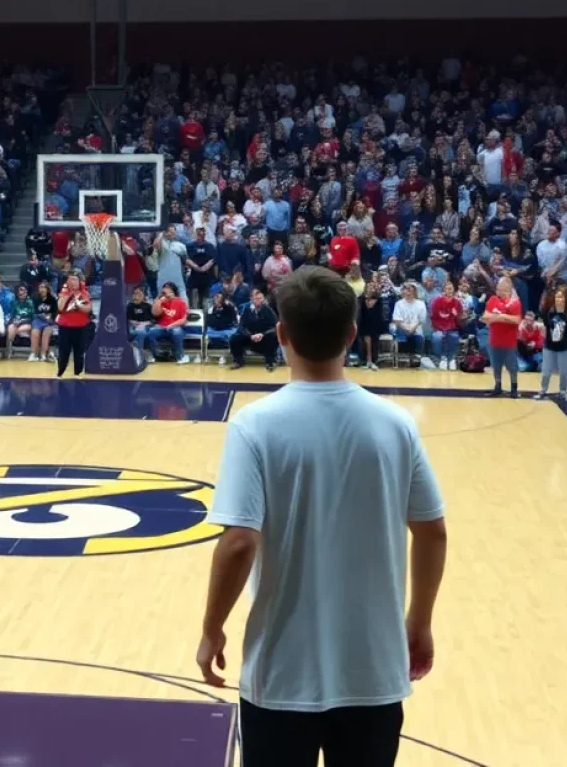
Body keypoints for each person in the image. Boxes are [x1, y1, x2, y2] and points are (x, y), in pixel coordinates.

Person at [196, 266, 446, 767]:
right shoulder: (395, 425)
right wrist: (419, 621)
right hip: (374, 672)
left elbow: (239, 542)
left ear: (282, 334)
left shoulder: (254, 426)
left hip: (281, 676)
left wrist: (212, 628)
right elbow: (432, 531)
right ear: (352, 334)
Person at [536, 284, 567, 401]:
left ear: (566, 299)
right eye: (557, 297)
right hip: (549, 346)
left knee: (564, 372)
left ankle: (563, 391)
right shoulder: (548, 312)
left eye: (561, 297)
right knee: (546, 371)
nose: (559, 300)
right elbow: (543, 321)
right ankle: (543, 389)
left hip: (565, 347)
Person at [482, 276, 522, 397]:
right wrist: (504, 318)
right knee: (496, 365)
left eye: (500, 289)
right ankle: (497, 386)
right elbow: (485, 317)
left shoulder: (515, 303)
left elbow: (516, 320)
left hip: (509, 342)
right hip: (494, 340)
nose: (498, 291)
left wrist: (500, 317)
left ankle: (514, 388)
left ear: (507, 289)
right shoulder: (493, 300)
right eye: (497, 289)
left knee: (512, 366)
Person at [229, 287, 278, 371]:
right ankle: (238, 361)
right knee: (234, 338)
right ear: (252, 299)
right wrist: (250, 335)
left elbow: (275, 327)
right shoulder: (247, 309)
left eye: (261, 298)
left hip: (263, 338)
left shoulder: (268, 310)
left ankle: (270, 362)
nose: (259, 300)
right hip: (250, 337)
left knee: (273, 337)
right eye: (257, 299)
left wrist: (262, 334)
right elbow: (241, 326)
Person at [55, 272, 92, 377]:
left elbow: (88, 309)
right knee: (63, 351)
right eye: (70, 280)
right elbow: (60, 307)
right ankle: (60, 372)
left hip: (80, 326)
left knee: (79, 351)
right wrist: (68, 295)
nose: (73, 282)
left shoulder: (84, 293)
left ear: (79, 281)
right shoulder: (63, 293)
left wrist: (78, 306)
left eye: (75, 280)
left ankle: (77, 373)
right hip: (65, 326)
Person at [148, 281, 190, 365]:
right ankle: (155, 356)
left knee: (176, 332)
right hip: (162, 327)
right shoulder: (162, 301)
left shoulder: (181, 302)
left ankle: (180, 356)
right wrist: (159, 300)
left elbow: (183, 320)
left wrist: (171, 325)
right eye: (164, 288)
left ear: (172, 291)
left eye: (167, 288)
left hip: (176, 327)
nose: (164, 290)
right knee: (152, 332)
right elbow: (154, 313)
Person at [390, 282, 428, 368]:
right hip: (401, 328)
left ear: (414, 292)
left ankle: (416, 357)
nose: (408, 293)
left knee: (419, 336)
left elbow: (421, 320)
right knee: (401, 334)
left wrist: (412, 328)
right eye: (406, 290)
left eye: (410, 291)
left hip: (415, 328)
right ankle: (402, 359)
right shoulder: (398, 304)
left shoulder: (421, 304)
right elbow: (396, 319)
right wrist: (406, 328)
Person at [429, 280, 462, 371]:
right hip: (439, 328)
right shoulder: (437, 301)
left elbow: (460, 319)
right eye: (447, 289)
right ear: (443, 290)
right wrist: (438, 328)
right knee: (438, 337)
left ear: (454, 290)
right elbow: (433, 317)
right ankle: (442, 358)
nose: (449, 291)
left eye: (451, 289)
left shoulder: (457, 302)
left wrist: (457, 315)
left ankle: (451, 359)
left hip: (452, 328)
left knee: (454, 336)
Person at [358, 277, 387, 371]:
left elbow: (379, 314)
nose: (371, 288)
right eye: (369, 286)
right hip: (364, 323)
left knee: (373, 339)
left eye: (373, 286)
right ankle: (366, 360)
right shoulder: (360, 299)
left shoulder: (379, 300)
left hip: (375, 324)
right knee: (365, 339)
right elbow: (360, 313)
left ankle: (372, 361)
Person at [204, 290, 239, 365]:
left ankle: (223, 355)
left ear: (223, 299)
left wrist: (218, 319)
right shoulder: (211, 309)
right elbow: (209, 321)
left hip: (227, 329)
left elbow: (229, 321)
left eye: (219, 297)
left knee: (228, 335)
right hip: (215, 329)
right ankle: (212, 355)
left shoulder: (230, 308)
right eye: (216, 297)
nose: (217, 299)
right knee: (209, 332)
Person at [29, 281, 57, 362]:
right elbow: (33, 311)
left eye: (43, 287)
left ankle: (43, 354)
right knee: (35, 333)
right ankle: (33, 354)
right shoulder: (35, 298)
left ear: (47, 289)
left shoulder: (52, 299)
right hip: (38, 320)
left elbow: (55, 312)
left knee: (46, 333)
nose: (41, 289)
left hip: (49, 321)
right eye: (40, 287)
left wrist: (49, 317)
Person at [6, 283, 35, 357]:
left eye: (25, 290)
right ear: (17, 292)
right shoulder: (14, 302)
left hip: (28, 321)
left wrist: (22, 321)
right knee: (10, 328)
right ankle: (9, 349)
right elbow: (12, 315)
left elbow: (33, 316)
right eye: (21, 290)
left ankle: (34, 351)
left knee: (18, 330)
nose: (23, 292)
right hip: (17, 321)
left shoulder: (31, 302)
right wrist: (12, 322)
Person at [126, 285, 154, 359]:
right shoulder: (130, 306)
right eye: (135, 293)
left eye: (139, 293)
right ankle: (140, 354)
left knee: (147, 333)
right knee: (141, 333)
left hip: (147, 326)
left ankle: (145, 353)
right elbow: (129, 319)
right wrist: (138, 324)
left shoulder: (148, 306)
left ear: (143, 295)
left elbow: (152, 320)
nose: (137, 295)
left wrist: (144, 324)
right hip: (134, 327)